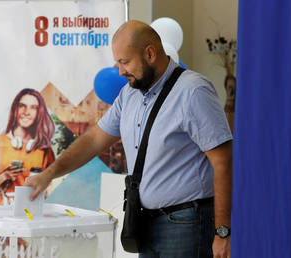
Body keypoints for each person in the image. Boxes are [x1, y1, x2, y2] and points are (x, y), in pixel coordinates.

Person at [26, 20, 232, 258]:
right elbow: (94, 140)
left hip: (187, 225)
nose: (121, 71)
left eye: (125, 62)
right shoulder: (129, 94)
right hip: (144, 224)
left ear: (150, 53)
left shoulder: (193, 91)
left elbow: (224, 162)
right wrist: (49, 174)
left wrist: (223, 231)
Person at [0, 88, 55, 205]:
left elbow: (51, 184)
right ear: (15, 109)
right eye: (22, 106)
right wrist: (4, 175)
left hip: (32, 210)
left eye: (33, 107)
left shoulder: (44, 149)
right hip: (1, 210)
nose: (26, 112)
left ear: (39, 113)